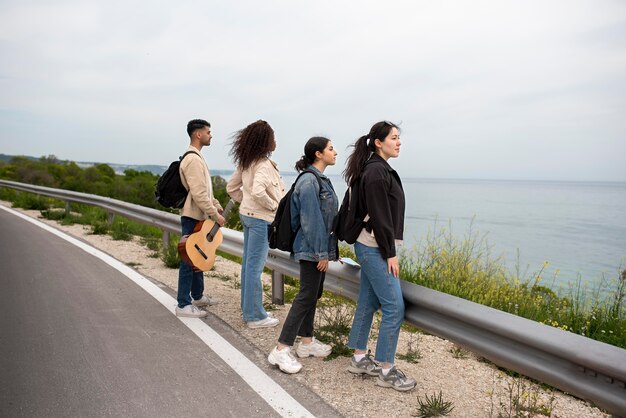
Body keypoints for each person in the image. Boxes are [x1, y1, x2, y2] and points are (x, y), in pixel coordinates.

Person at [344, 121, 416, 391]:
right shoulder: (376, 172)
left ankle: (360, 358)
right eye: (394, 138)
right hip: (374, 247)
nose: (398, 143)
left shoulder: (376, 168)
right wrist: (391, 253)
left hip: (371, 245)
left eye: (399, 138)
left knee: (368, 300)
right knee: (394, 308)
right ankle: (387, 370)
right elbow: (380, 217)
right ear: (378, 142)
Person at [268, 137, 339, 373]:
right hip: (311, 248)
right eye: (331, 148)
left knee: (312, 294)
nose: (335, 152)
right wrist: (321, 253)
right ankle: (281, 349)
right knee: (305, 296)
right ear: (318, 154)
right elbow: (311, 221)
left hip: (317, 248)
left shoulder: (319, 179)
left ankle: (306, 342)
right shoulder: (309, 181)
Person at [227, 120, 285, 328]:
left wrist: (248, 202)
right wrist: (272, 207)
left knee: (248, 265)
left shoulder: (246, 161)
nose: (275, 141)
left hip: (248, 216)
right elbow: (259, 192)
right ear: (265, 141)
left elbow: (231, 188)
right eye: (273, 137)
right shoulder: (262, 165)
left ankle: (248, 308)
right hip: (260, 219)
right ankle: (254, 316)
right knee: (255, 267)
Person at [176, 119, 225, 318]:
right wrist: (214, 214)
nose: (211, 135)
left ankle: (197, 296)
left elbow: (205, 191)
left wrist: (216, 205)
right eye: (208, 132)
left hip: (199, 216)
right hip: (192, 216)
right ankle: (183, 304)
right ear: (198, 134)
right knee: (188, 258)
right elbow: (198, 194)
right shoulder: (193, 159)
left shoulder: (197, 157)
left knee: (198, 255)